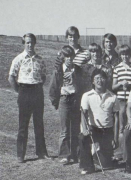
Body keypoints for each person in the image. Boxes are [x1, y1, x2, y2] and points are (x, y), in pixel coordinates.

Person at [8, 33, 51, 163]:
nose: (30, 45)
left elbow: (43, 77)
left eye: (31, 42)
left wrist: (36, 88)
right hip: (24, 92)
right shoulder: (18, 59)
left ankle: (41, 152)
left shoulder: (40, 59)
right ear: (24, 43)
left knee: (39, 124)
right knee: (23, 125)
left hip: (37, 92)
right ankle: (20, 154)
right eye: (27, 42)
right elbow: (11, 77)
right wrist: (20, 91)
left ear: (35, 43)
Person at [79, 69, 119, 175]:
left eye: (102, 78)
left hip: (107, 131)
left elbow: (117, 118)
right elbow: (83, 114)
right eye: (96, 78)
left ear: (106, 80)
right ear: (92, 81)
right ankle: (87, 166)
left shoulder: (113, 97)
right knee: (83, 137)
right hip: (93, 129)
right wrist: (85, 129)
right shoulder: (87, 96)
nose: (99, 80)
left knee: (106, 164)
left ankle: (98, 154)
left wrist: (115, 137)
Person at [49, 45, 84, 164]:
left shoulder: (78, 69)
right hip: (64, 99)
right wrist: (55, 101)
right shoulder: (58, 70)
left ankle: (75, 154)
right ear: (63, 58)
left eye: (71, 56)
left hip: (75, 99)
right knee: (65, 129)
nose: (69, 59)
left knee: (75, 127)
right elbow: (53, 87)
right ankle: (64, 154)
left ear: (74, 57)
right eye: (66, 57)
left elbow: (82, 85)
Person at [112, 45, 131, 161]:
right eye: (123, 54)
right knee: (122, 126)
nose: (125, 57)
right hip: (121, 100)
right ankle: (122, 153)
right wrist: (120, 84)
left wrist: (130, 85)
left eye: (127, 54)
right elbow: (113, 86)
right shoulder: (117, 68)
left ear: (130, 55)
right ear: (120, 55)